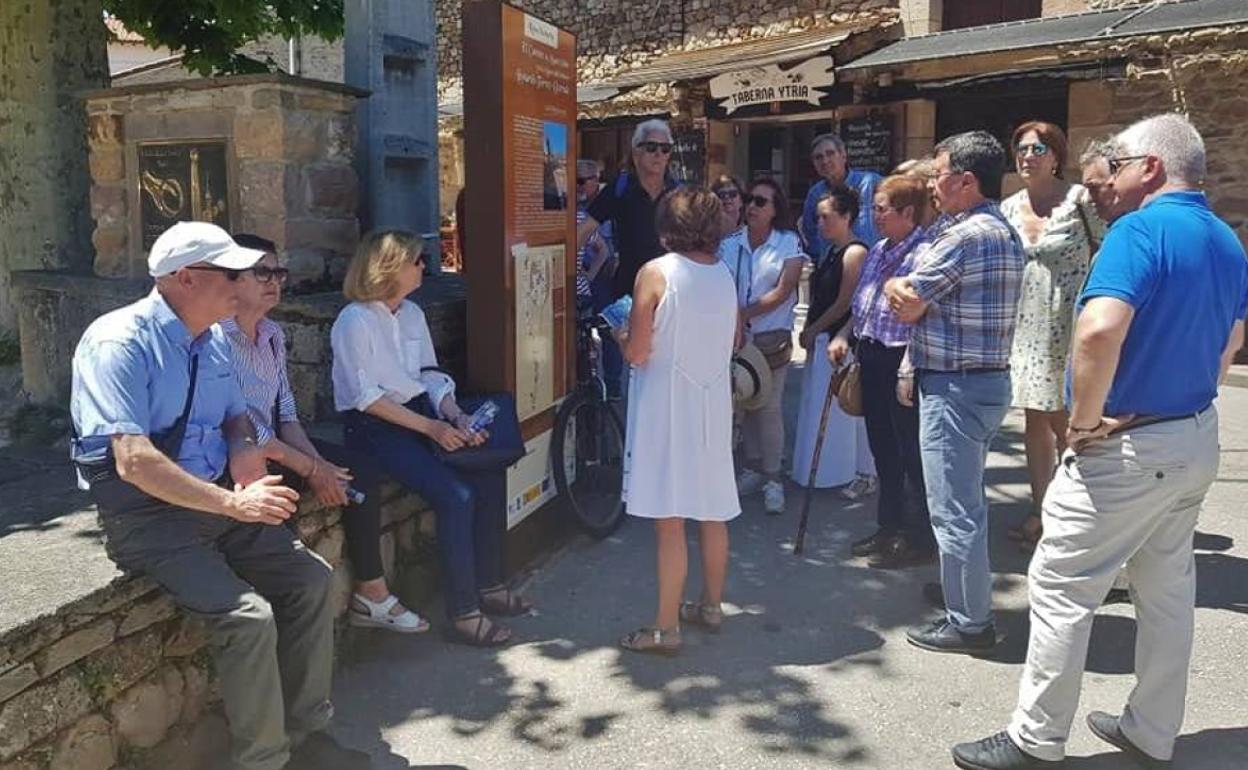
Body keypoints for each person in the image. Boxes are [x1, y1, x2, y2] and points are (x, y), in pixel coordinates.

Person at [953, 114, 1248, 770]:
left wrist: (1083, 423)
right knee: (1167, 591)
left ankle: (1035, 739)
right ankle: (1152, 729)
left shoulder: (1139, 230)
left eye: (1117, 165)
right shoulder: (1226, 238)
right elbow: (1231, 339)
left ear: (1151, 167)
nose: (1108, 179)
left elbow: (1097, 330)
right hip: (1192, 435)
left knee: (1061, 584)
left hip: (1128, 446)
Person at [70, 221, 369, 770]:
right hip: (150, 518)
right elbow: (132, 459)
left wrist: (243, 454)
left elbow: (237, 418)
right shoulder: (118, 343)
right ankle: (266, 761)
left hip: (218, 500)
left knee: (310, 580)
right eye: (233, 273)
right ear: (185, 277)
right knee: (248, 618)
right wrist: (233, 503)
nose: (246, 282)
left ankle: (308, 735)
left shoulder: (212, 341)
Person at [330, 230, 530, 648]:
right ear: (390, 267)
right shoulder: (354, 320)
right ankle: (464, 613)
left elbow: (428, 374)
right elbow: (366, 398)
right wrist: (432, 429)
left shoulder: (412, 314)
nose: (424, 267)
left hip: (421, 414)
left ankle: (490, 583)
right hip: (376, 428)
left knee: (489, 473)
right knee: (455, 495)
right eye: (416, 260)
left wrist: (455, 415)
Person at [224, 234, 428, 634]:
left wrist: (318, 463)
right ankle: (278, 617)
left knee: (358, 472)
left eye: (279, 273)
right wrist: (311, 468)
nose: (274, 282)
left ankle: (372, 593)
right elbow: (244, 426)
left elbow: (286, 415)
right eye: (262, 273)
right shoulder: (217, 339)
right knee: (283, 498)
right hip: (239, 454)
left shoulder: (271, 334)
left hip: (276, 444)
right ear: (231, 279)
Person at [885, 131, 1025, 655]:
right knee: (966, 500)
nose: (932, 184)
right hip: (985, 381)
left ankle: (970, 622)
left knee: (954, 508)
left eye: (939, 174)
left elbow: (907, 302)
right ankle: (962, 591)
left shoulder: (963, 237)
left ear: (967, 181)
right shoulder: (1003, 229)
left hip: (955, 387)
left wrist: (894, 284)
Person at [616, 186, 740, 655]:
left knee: (670, 521)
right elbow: (734, 339)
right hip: (711, 401)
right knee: (712, 510)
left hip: (667, 404)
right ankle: (711, 605)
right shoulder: (723, 273)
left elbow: (639, 351)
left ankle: (665, 629)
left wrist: (620, 335)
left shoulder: (656, 272)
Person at [1001, 122, 1105, 551]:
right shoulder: (1008, 207)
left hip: (1070, 323)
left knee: (1067, 425)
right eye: (1022, 149)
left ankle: (1077, 514)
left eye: (1038, 149)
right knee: (1034, 420)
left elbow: (1108, 250)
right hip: (1025, 328)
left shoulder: (1081, 201)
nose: (1028, 156)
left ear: (1057, 156)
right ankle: (1042, 509)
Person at [828, 175, 935, 569]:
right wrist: (844, 334)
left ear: (907, 212)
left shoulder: (925, 254)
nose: (875, 216)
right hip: (871, 354)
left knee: (909, 454)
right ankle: (889, 527)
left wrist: (909, 367)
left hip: (901, 361)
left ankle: (917, 537)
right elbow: (865, 304)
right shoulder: (878, 250)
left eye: (882, 209)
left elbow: (924, 317)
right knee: (883, 450)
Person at [719, 178, 806, 515]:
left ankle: (773, 479)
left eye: (760, 201)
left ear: (774, 209)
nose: (752, 206)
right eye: (749, 199)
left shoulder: (788, 242)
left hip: (770, 339)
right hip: (735, 341)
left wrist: (743, 314)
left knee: (768, 408)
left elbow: (784, 290)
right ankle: (754, 468)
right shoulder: (730, 243)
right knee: (743, 404)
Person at [577, 119, 677, 397]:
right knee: (635, 366)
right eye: (652, 147)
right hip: (631, 293)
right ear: (636, 152)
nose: (659, 154)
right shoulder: (620, 189)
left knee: (665, 367)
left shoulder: (677, 192)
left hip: (671, 292)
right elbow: (584, 231)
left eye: (665, 149)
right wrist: (568, 273)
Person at [790, 185, 875, 493]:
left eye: (826, 217)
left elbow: (845, 302)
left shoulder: (855, 253)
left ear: (846, 216)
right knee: (817, 406)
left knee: (844, 411)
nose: (820, 223)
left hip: (840, 341)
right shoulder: (831, 251)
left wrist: (815, 329)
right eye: (818, 217)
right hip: (823, 338)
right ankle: (823, 470)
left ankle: (856, 472)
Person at [802, 133, 882, 261]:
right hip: (833, 266)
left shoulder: (871, 183)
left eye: (830, 153)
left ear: (843, 155)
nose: (825, 161)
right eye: (818, 157)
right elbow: (810, 232)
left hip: (871, 264)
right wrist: (822, 258)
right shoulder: (815, 194)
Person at [575, 159, 614, 313]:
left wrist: (590, 275)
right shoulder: (577, 209)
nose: (576, 186)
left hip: (604, 275)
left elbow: (605, 249)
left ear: (596, 179)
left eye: (580, 181)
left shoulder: (610, 200)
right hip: (585, 277)